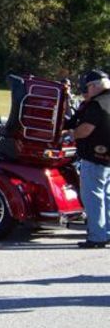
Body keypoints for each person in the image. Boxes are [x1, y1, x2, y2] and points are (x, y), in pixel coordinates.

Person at [66, 70, 110, 248]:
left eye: (88, 86)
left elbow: (86, 129)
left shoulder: (97, 104)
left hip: (94, 156)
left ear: (94, 85)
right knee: (107, 196)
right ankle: (106, 232)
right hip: (108, 158)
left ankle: (97, 237)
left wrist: (71, 134)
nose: (86, 90)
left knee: (93, 197)